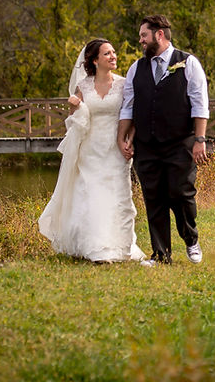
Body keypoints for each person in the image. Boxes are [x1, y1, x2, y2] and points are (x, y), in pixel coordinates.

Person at [38, 38, 145, 263]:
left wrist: (130, 140)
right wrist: (76, 107)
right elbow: (74, 121)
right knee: (92, 195)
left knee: (118, 196)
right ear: (95, 60)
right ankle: (96, 247)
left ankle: (122, 245)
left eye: (114, 52)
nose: (113, 56)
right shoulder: (83, 87)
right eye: (107, 54)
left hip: (116, 149)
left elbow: (132, 115)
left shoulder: (125, 84)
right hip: (90, 149)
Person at [118, 14, 209, 266]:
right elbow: (128, 107)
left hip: (180, 142)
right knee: (154, 197)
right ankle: (161, 254)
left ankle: (191, 239)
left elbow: (200, 104)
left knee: (181, 193)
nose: (140, 41)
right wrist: (122, 137)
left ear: (159, 35)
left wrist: (200, 138)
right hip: (147, 145)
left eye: (143, 36)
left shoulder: (188, 63)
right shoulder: (137, 68)